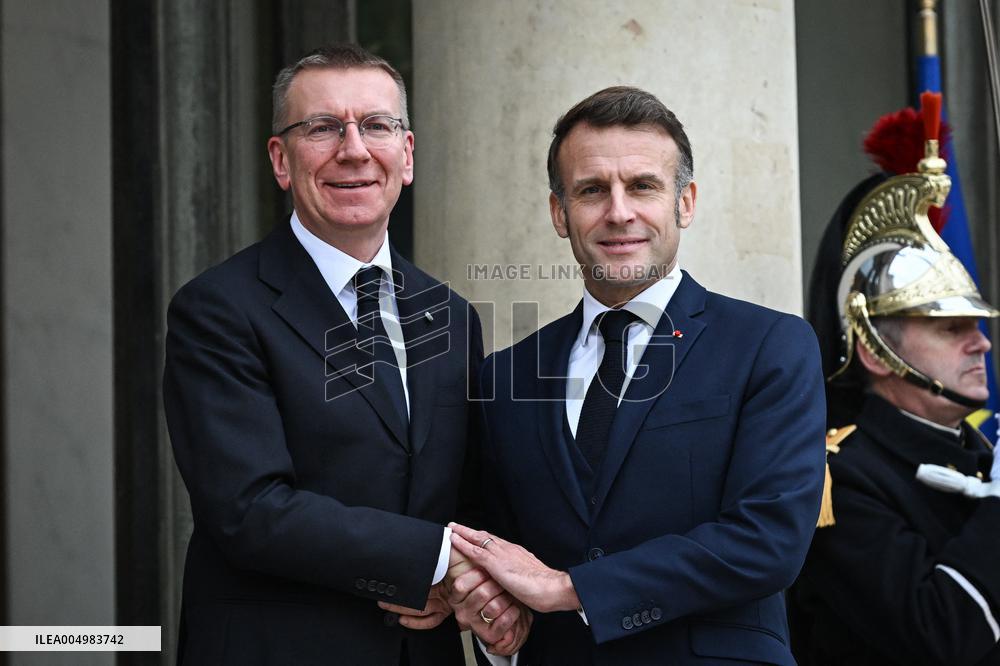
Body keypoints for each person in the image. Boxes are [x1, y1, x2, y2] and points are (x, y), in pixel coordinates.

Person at [163, 44, 524, 665]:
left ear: (406, 156)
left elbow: (463, 496)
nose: (353, 149)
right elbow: (250, 511)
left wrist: (487, 595)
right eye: (323, 127)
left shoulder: (451, 315)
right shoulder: (217, 310)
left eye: (377, 126)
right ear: (281, 159)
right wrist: (436, 559)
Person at [445, 86, 827, 665]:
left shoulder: (770, 346)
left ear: (686, 203)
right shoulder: (505, 375)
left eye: (643, 186)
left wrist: (570, 590)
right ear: (559, 213)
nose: (618, 212)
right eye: (592, 190)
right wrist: (496, 620)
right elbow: (498, 551)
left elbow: (768, 540)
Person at [790, 96, 1000, 665]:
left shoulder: (977, 454)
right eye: (952, 328)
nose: (980, 343)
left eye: (977, 326)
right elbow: (934, 637)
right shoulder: (834, 478)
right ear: (877, 352)